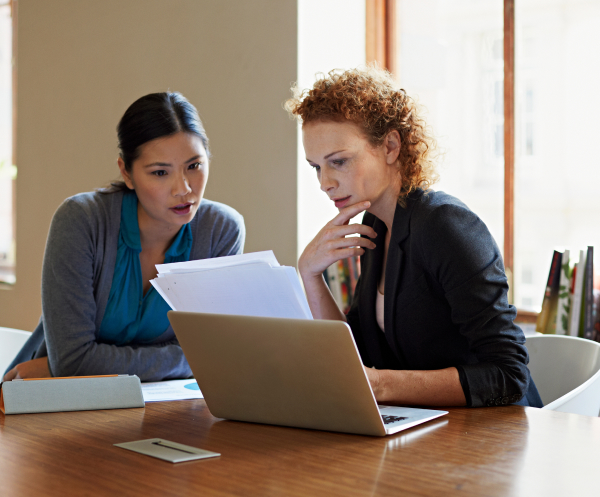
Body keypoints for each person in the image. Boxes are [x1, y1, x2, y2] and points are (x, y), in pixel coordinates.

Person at [285, 66, 542, 408]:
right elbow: (354, 360)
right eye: (317, 166)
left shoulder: (446, 225)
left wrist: (382, 385)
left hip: (493, 438)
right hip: (430, 432)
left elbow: (508, 377)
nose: (324, 182)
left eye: (339, 162)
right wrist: (310, 274)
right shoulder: (375, 225)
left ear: (390, 146)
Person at [4, 92, 245, 382]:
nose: (183, 189)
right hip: (51, 406)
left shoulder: (221, 231)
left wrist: (74, 366)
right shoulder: (80, 221)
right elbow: (72, 362)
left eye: (194, 166)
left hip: (163, 408)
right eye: (159, 172)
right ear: (127, 173)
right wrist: (70, 366)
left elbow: (215, 355)